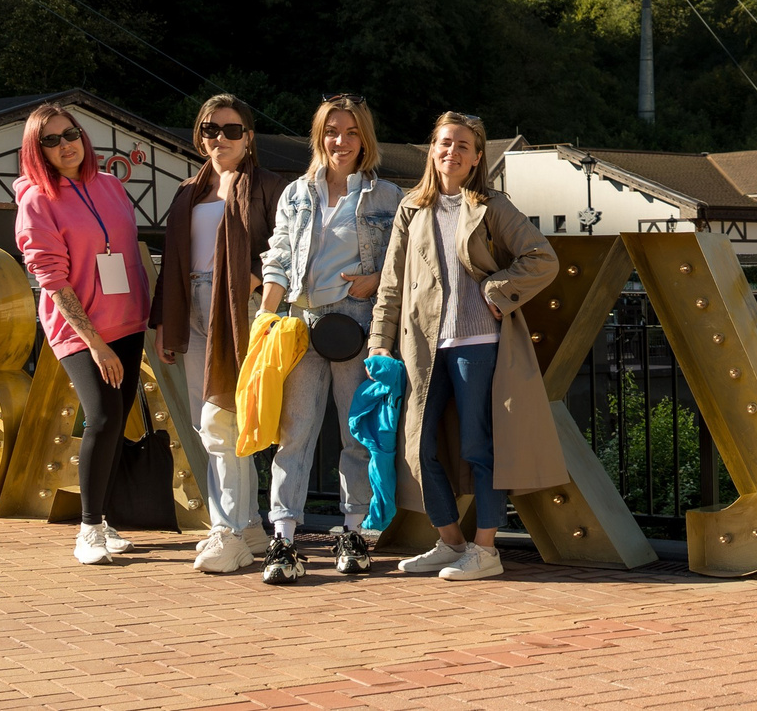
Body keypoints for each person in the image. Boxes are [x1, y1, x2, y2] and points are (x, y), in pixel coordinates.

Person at [370, 110, 566, 582]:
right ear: (431, 151)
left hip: (478, 344)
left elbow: (542, 258)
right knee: (420, 448)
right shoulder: (411, 209)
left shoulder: (493, 206)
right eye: (444, 143)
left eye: (462, 145)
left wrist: (497, 290)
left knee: (479, 446)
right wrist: (379, 341)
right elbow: (391, 284)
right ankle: (450, 542)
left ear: (477, 157)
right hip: (422, 346)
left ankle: (486, 550)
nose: (451, 152)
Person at [256, 94, 403, 585]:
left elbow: (405, 266)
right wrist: (265, 317)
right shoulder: (297, 193)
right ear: (319, 136)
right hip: (302, 322)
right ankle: (283, 538)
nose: (342, 141)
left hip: (358, 325)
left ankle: (353, 531)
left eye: (352, 132)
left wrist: (376, 277)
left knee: (354, 433)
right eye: (332, 131)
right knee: (293, 434)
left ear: (366, 140)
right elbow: (277, 257)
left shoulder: (388, 197)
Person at [13, 101, 153, 567]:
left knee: (118, 421)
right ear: (37, 150)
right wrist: (94, 343)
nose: (64, 145)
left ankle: (105, 520)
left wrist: (147, 315)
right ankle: (88, 528)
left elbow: (131, 252)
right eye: (49, 140)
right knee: (103, 418)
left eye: (69, 134)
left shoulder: (110, 185)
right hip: (80, 331)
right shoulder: (36, 199)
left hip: (128, 322)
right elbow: (51, 279)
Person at [152, 93, 281, 572]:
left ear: (249, 136)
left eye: (231, 130)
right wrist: (165, 318)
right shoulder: (189, 190)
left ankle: (226, 531)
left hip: (239, 307)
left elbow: (285, 247)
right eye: (211, 129)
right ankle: (247, 526)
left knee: (222, 421)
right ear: (199, 136)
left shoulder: (267, 185)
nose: (220, 138)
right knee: (215, 426)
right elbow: (172, 258)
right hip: (191, 306)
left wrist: (250, 280)